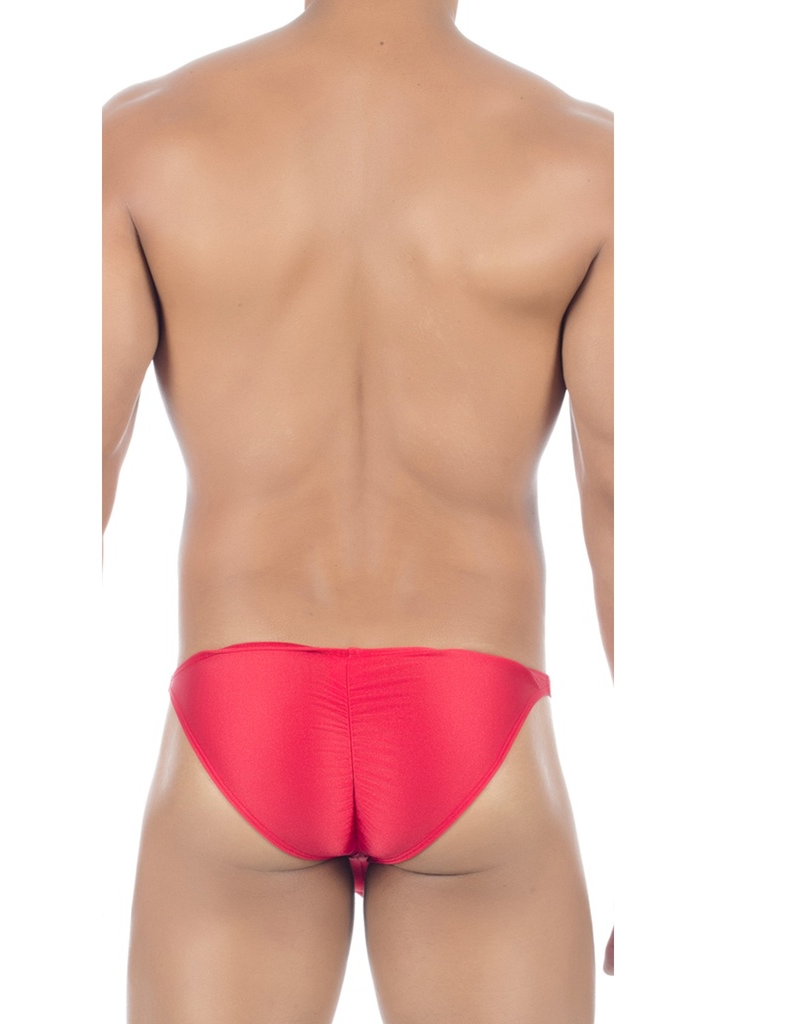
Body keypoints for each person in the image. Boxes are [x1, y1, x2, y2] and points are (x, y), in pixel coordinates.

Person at [102, 0, 612, 1019]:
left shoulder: (146, 138)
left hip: (239, 709)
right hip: (476, 716)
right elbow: (628, 503)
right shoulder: (587, 163)